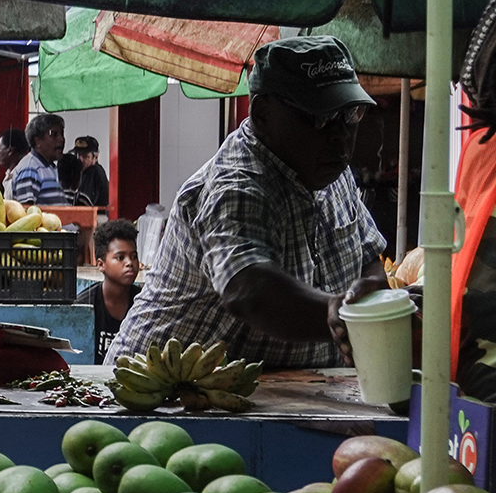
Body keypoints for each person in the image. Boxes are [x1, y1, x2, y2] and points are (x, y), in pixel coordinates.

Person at [105, 37, 388, 368]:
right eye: (320, 118)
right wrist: (336, 312)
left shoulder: (332, 171)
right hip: (164, 397)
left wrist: (373, 294)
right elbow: (249, 290)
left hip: (281, 397)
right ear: (263, 114)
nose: (340, 136)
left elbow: (368, 256)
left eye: (348, 115)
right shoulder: (236, 186)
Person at [90, 218, 142, 360]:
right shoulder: (85, 305)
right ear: (101, 265)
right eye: (120, 257)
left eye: (134, 256)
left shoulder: (143, 303)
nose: (129, 263)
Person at [4, 113, 67, 205]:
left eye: (62, 134)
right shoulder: (30, 169)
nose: (61, 139)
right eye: (54, 134)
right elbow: (26, 213)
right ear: (37, 141)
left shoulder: (48, 166)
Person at [71, 135, 111, 208]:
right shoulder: (92, 172)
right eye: (78, 155)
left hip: (97, 216)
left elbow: (84, 204)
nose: (80, 160)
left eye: (85, 156)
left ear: (95, 157)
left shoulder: (93, 172)